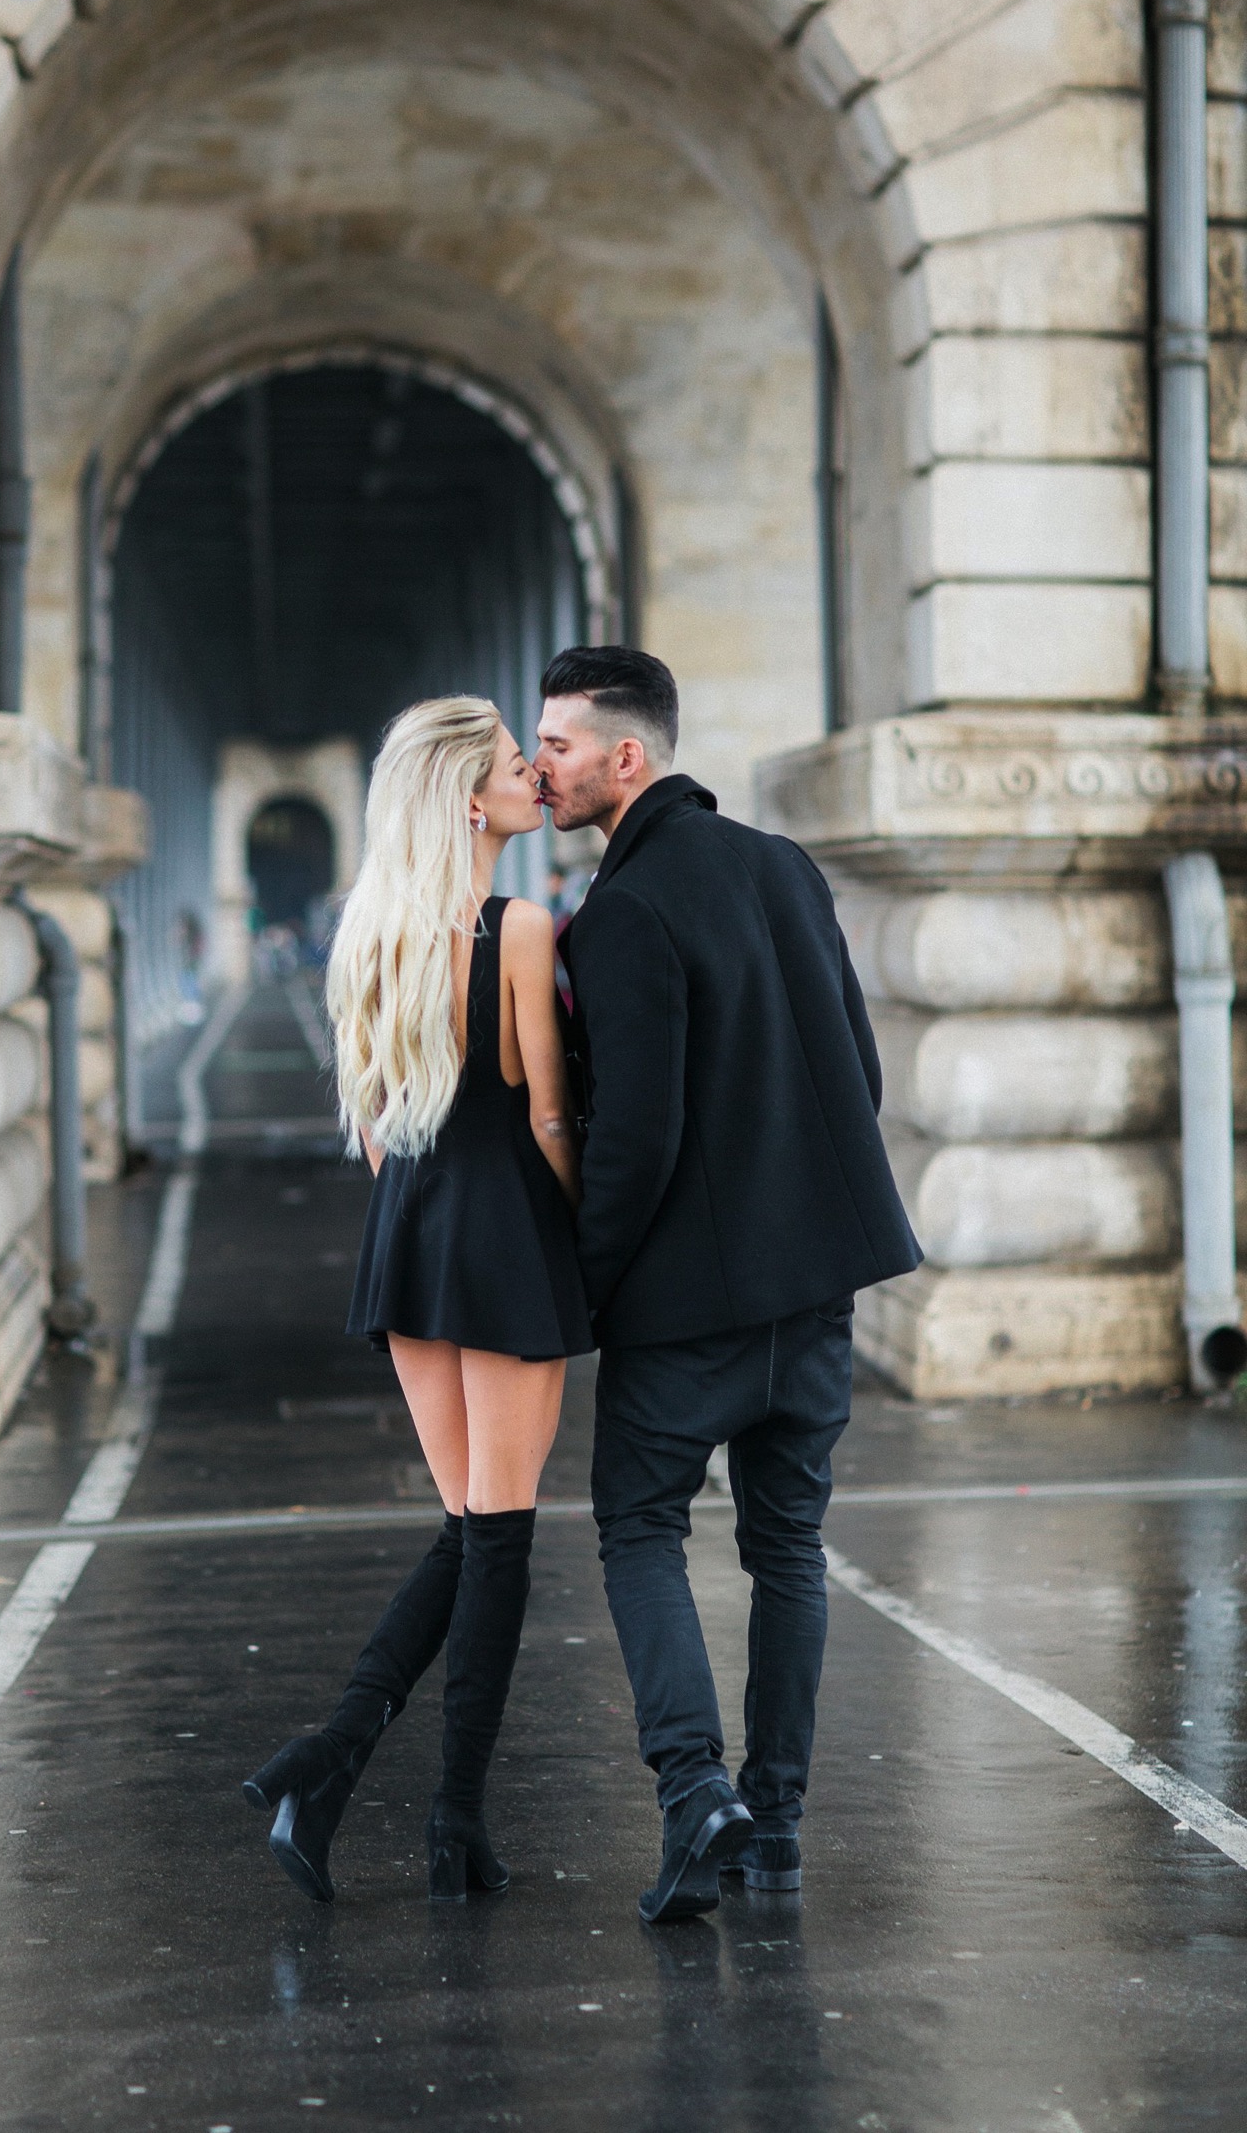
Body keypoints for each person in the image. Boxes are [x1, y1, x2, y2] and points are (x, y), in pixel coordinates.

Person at [533, 646, 921, 1924]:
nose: (542, 767)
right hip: (813, 1292)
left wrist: (583, 1286)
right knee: (787, 1552)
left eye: (561, 746)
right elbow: (853, 1074)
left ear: (626, 758)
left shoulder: (623, 914)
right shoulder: (784, 869)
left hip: (683, 1308)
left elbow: (633, 1139)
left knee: (641, 1531)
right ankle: (780, 1828)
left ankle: (697, 1793)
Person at [243, 695, 591, 1905]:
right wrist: (585, 1225)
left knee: (468, 1528)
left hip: (408, 1241)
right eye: (511, 766)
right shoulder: (524, 929)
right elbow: (549, 1117)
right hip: (506, 1238)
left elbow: (381, 1130)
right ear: (465, 799)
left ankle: (327, 1762)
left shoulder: (368, 936)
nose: (531, 779)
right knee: (499, 1537)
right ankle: (450, 1822)